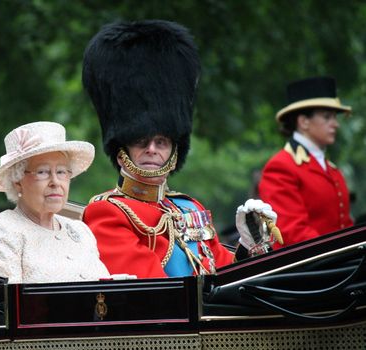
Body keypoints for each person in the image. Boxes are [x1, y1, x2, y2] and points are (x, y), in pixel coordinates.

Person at [81, 20, 280, 279]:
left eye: (161, 142)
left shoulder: (189, 208)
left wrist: (249, 246)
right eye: (141, 141)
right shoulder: (107, 211)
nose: (152, 149)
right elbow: (153, 291)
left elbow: (225, 272)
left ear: (174, 155)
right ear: (122, 151)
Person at [0, 121, 110, 284]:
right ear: (17, 181)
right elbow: (6, 305)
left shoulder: (81, 231)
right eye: (43, 172)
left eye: (61, 172)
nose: (55, 182)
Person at [258, 76, 354, 247]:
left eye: (335, 117)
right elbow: (292, 233)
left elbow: (345, 227)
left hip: (340, 267)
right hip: (309, 269)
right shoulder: (281, 166)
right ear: (303, 122)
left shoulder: (332, 170)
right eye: (327, 117)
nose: (335, 124)